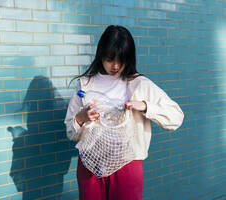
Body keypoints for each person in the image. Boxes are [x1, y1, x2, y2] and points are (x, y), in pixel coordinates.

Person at [64, 25, 184, 200]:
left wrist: (145, 106)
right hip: (89, 164)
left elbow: (176, 117)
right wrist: (81, 118)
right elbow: (70, 131)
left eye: (122, 60)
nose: (116, 65)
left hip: (127, 165)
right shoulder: (84, 84)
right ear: (100, 55)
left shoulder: (140, 84)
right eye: (110, 59)